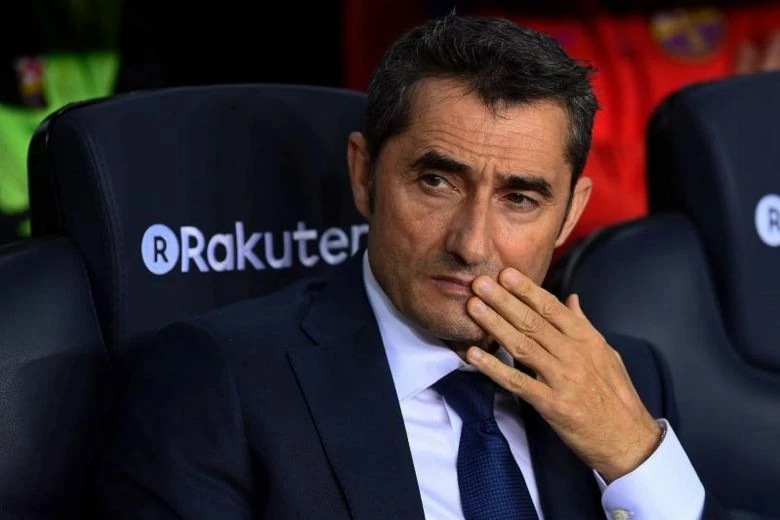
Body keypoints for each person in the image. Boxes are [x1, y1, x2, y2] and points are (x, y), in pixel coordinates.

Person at [97, 13, 725, 519]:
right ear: (364, 174)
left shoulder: (627, 381)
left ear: (569, 215)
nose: (472, 244)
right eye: (436, 182)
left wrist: (636, 456)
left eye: (520, 199)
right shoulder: (218, 382)